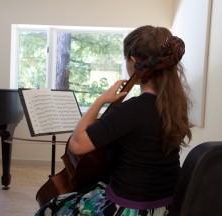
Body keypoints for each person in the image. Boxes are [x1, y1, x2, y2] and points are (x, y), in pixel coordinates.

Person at [35, 25, 193, 216]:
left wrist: (100, 100)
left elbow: (76, 145)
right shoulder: (177, 105)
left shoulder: (132, 109)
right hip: (167, 205)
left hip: (129, 208)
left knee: (53, 207)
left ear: (133, 62)